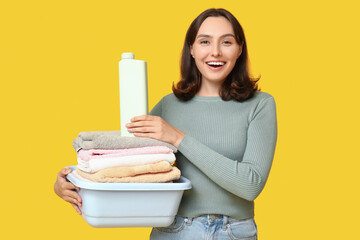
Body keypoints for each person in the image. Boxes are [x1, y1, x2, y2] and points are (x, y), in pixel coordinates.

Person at [54, 8, 277, 240]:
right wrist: (71, 180)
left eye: (227, 42)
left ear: (240, 49)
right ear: (191, 49)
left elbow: (250, 185)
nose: (215, 52)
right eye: (204, 42)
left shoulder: (260, 105)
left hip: (236, 232)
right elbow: (127, 163)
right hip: (175, 231)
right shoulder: (168, 106)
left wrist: (178, 138)